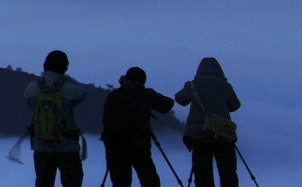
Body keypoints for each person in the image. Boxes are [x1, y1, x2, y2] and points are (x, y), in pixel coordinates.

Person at [100, 66, 175, 186]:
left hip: (114, 146)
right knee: (150, 181)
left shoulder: (114, 95)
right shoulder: (146, 94)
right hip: (139, 145)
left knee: (120, 183)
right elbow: (168, 105)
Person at [24, 49, 89, 186]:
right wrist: (66, 78)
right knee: (72, 182)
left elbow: (28, 101)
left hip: (41, 147)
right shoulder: (69, 88)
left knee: (43, 183)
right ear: (64, 67)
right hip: (67, 146)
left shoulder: (32, 87)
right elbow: (83, 93)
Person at [175, 57, 241, 186]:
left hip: (199, 136)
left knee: (202, 174)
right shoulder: (225, 86)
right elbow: (235, 105)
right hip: (222, 135)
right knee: (228, 173)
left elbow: (180, 99)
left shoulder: (193, 85)